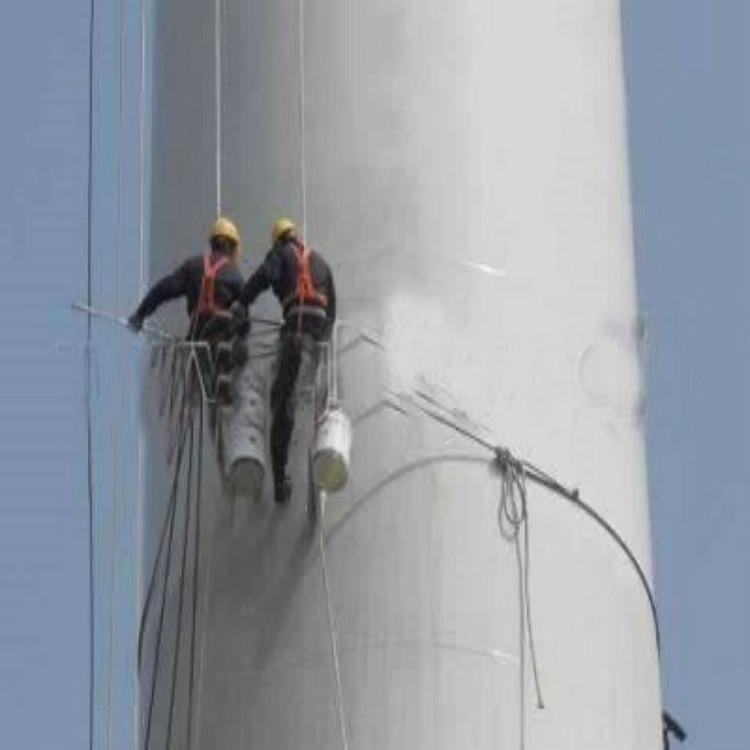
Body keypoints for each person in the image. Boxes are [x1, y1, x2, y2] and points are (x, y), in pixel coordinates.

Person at [232, 217, 336, 504]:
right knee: (315, 395)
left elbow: (265, 275)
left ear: (279, 240)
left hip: (296, 334)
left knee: (282, 401)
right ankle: (319, 453)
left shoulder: (280, 254)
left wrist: (242, 301)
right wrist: (321, 342)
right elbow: (333, 309)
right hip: (317, 339)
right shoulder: (321, 261)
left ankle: (280, 481)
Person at [128, 216, 248, 401]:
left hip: (198, 338)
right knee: (239, 363)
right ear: (232, 247)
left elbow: (164, 289)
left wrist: (140, 314)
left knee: (200, 390)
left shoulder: (193, 267)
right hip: (223, 340)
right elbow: (244, 319)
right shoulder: (236, 276)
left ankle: (202, 393)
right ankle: (228, 397)